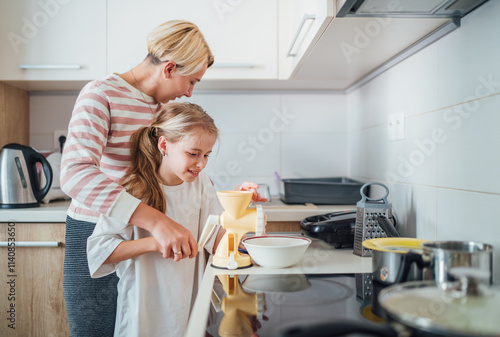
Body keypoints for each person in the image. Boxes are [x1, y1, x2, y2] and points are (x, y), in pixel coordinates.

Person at [60, 20, 217, 336]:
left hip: (144, 236)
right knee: (95, 330)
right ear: (169, 68)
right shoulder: (100, 94)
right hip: (98, 233)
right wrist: (158, 222)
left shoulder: (159, 110)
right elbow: (75, 174)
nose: (189, 91)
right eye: (191, 81)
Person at [86, 102, 266, 337]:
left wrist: (237, 205)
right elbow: (99, 252)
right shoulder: (133, 190)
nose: (201, 164)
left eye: (206, 155)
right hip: (144, 317)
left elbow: (216, 238)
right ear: (164, 145)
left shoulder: (200, 184)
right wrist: (154, 242)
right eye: (193, 154)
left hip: (188, 309)